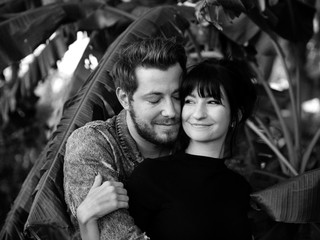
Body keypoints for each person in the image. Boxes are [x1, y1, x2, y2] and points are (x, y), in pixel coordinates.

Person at [63, 37, 187, 240]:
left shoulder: (191, 135)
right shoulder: (93, 143)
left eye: (177, 96)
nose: (171, 111)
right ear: (124, 99)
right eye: (154, 99)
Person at [126, 58, 257, 240]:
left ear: (236, 116)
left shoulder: (239, 188)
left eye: (212, 102)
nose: (198, 114)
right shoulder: (152, 176)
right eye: (190, 101)